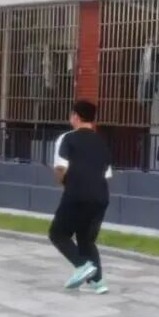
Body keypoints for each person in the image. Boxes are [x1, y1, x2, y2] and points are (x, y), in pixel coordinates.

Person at [50, 100, 113, 294]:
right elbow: (107, 173)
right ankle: (98, 282)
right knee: (86, 239)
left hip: (76, 194)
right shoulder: (102, 142)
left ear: (76, 117)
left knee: (58, 234)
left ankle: (82, 265)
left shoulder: (67, 138)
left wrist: (65, 184)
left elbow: (60, 167)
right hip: (101, 197)